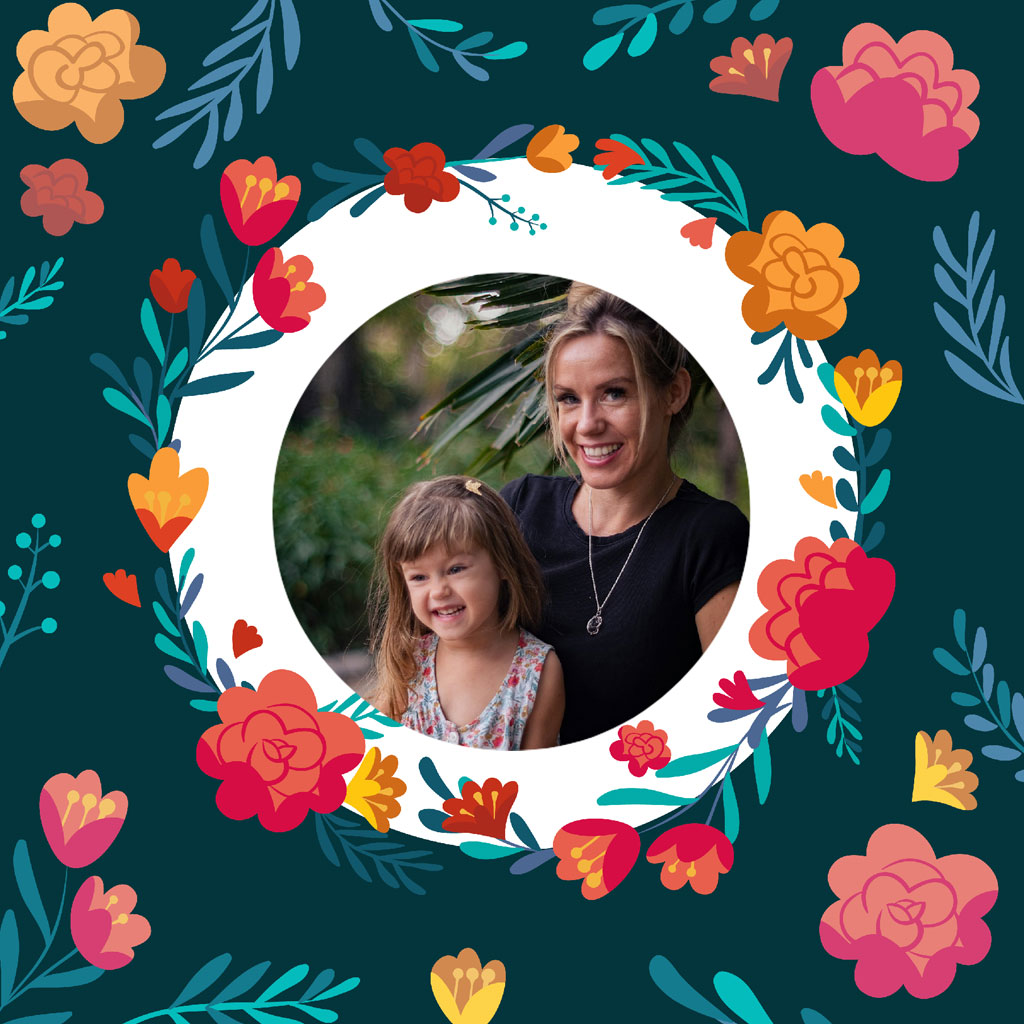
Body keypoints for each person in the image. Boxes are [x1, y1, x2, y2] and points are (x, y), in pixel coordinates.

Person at [501, 284, 748, 744]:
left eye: (614, 393)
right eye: (568, 399)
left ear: (674, 392)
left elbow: (736, 723)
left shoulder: (710, 537)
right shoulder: (519, 508)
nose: (587, 424)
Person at [370, 475, 564, 750]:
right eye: (419, 577)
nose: (438, 591)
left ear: (502, 564)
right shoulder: (410, 659)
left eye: (456, 569)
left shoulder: (537, 670)